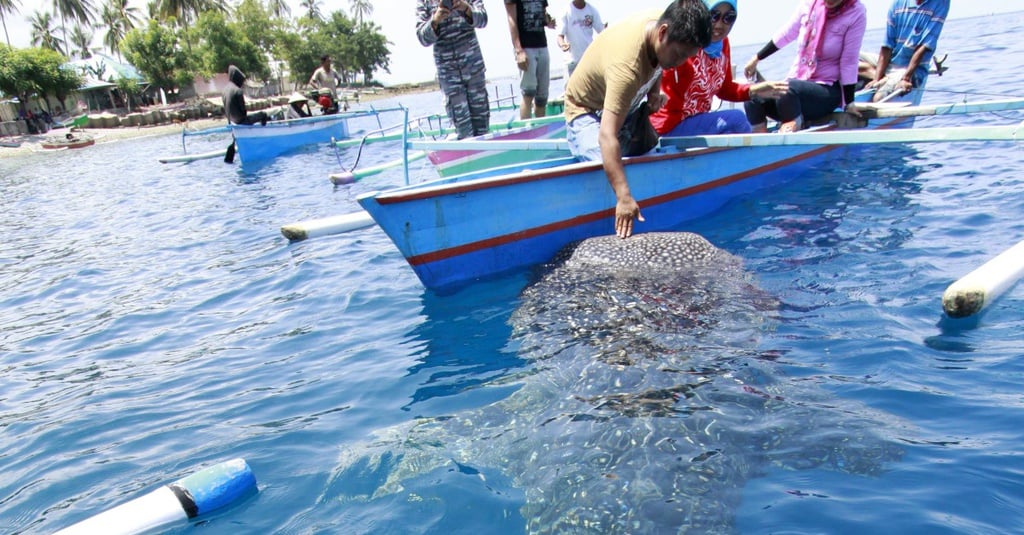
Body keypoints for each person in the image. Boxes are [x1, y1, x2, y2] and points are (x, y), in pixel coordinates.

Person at [563, 0, 711, 238]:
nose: (679, 63)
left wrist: (653, 93)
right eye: (679, 55)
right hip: (585, 111)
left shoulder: (661, 25)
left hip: (623, 106)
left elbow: (658, 62)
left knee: (649, 154)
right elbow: (606, 135)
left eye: (687, 57)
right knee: (606, 162)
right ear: (662, 33)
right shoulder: (627, 68)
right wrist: (623, 197)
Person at [650, 0, 788, 136]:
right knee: (737, 119)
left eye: (728, 17)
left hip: (696, 122)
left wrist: (754, 91)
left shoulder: (723, 45)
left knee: (732, 129)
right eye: (713, 15)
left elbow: (724, 89)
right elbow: (657, 67)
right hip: (669, 127)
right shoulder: (686, 42)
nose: (719, 24)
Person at [742, 0, 866, 133]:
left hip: (826, 91)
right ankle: (760, 138)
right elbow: (786, 34)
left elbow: (849, 61)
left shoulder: (856, 12)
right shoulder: (808, 5)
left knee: (788, 89)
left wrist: (849, 103)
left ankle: (793, 126)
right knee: (753, 93)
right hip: (795, 89)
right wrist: (757, 58)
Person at [417, 0, 490, 139]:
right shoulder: (424, 2)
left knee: (483, 131)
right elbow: (422, 38)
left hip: (474, 69)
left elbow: (483, 19)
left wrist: (466, 9)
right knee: (464, 134)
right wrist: (435, 20)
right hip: (449, 75)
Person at [864, 0, 948, 102]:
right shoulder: (897, 4)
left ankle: (886, 79)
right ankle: (882, 77)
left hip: (912, 69)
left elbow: (923, 46)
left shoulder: (941, 3)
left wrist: (905, 79)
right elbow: (887, 46)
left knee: (878, 98)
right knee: (844, 60)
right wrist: (877, 79)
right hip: (891, 61)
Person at [505, 0, 557, 119]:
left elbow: (542, 13)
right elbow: (511, 19)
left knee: (542, 97)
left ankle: (541, 131)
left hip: (542, 45)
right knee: (528, 93)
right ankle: (527, 133)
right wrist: (519, 50)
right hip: (526, 48)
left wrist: (548, 21)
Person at [557, 0, 605, 78]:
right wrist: (562, 44)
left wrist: (607, 31)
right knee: (571, 89)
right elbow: (560, 36)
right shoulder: (566, 11)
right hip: (572, 62)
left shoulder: (592, 10)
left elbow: (602, 32)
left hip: (589, 61)